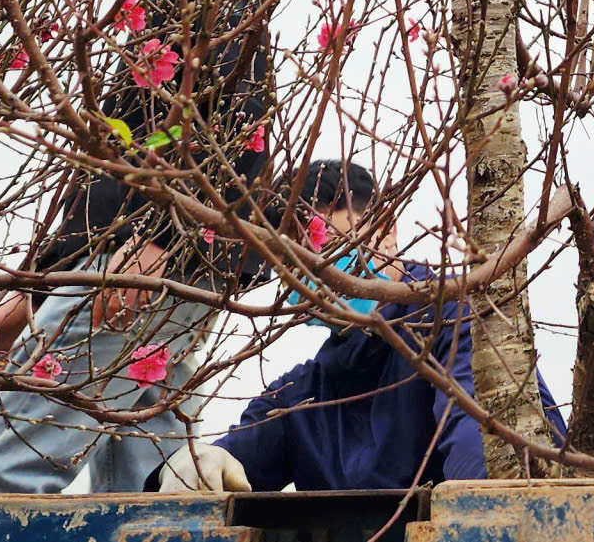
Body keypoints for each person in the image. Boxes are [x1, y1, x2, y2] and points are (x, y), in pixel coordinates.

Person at [0, 0, 277, 493]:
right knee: (152, 489)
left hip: (138, 271)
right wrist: (31, 290)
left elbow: (232, 125)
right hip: (149, 266)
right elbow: (110, 173)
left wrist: (157, 243)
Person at [150, 161, 568, 493]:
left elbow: (484, 453)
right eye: (293, 262)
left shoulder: (458, 323)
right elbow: (237, 459)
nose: (317, 275)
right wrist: (197, 462)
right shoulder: (306, 395)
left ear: (387, 232)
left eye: (333, 250)